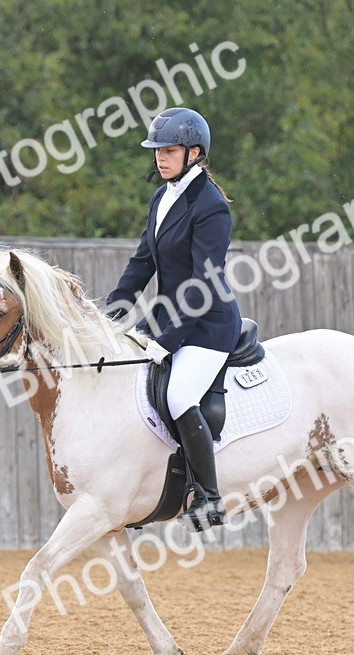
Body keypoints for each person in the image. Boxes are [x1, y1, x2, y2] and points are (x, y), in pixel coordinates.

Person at [105, 107, 241, 530]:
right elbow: (142, 262)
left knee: (179, 396)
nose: (160, 158)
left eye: (169, 150)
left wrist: (169, 339)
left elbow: (204, 284)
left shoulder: (211, 206)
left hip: (207, 325)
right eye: (157, 150)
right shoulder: (162, 197)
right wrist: (110, 315)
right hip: (169, 314)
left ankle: (208, 498)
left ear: (194, 152)